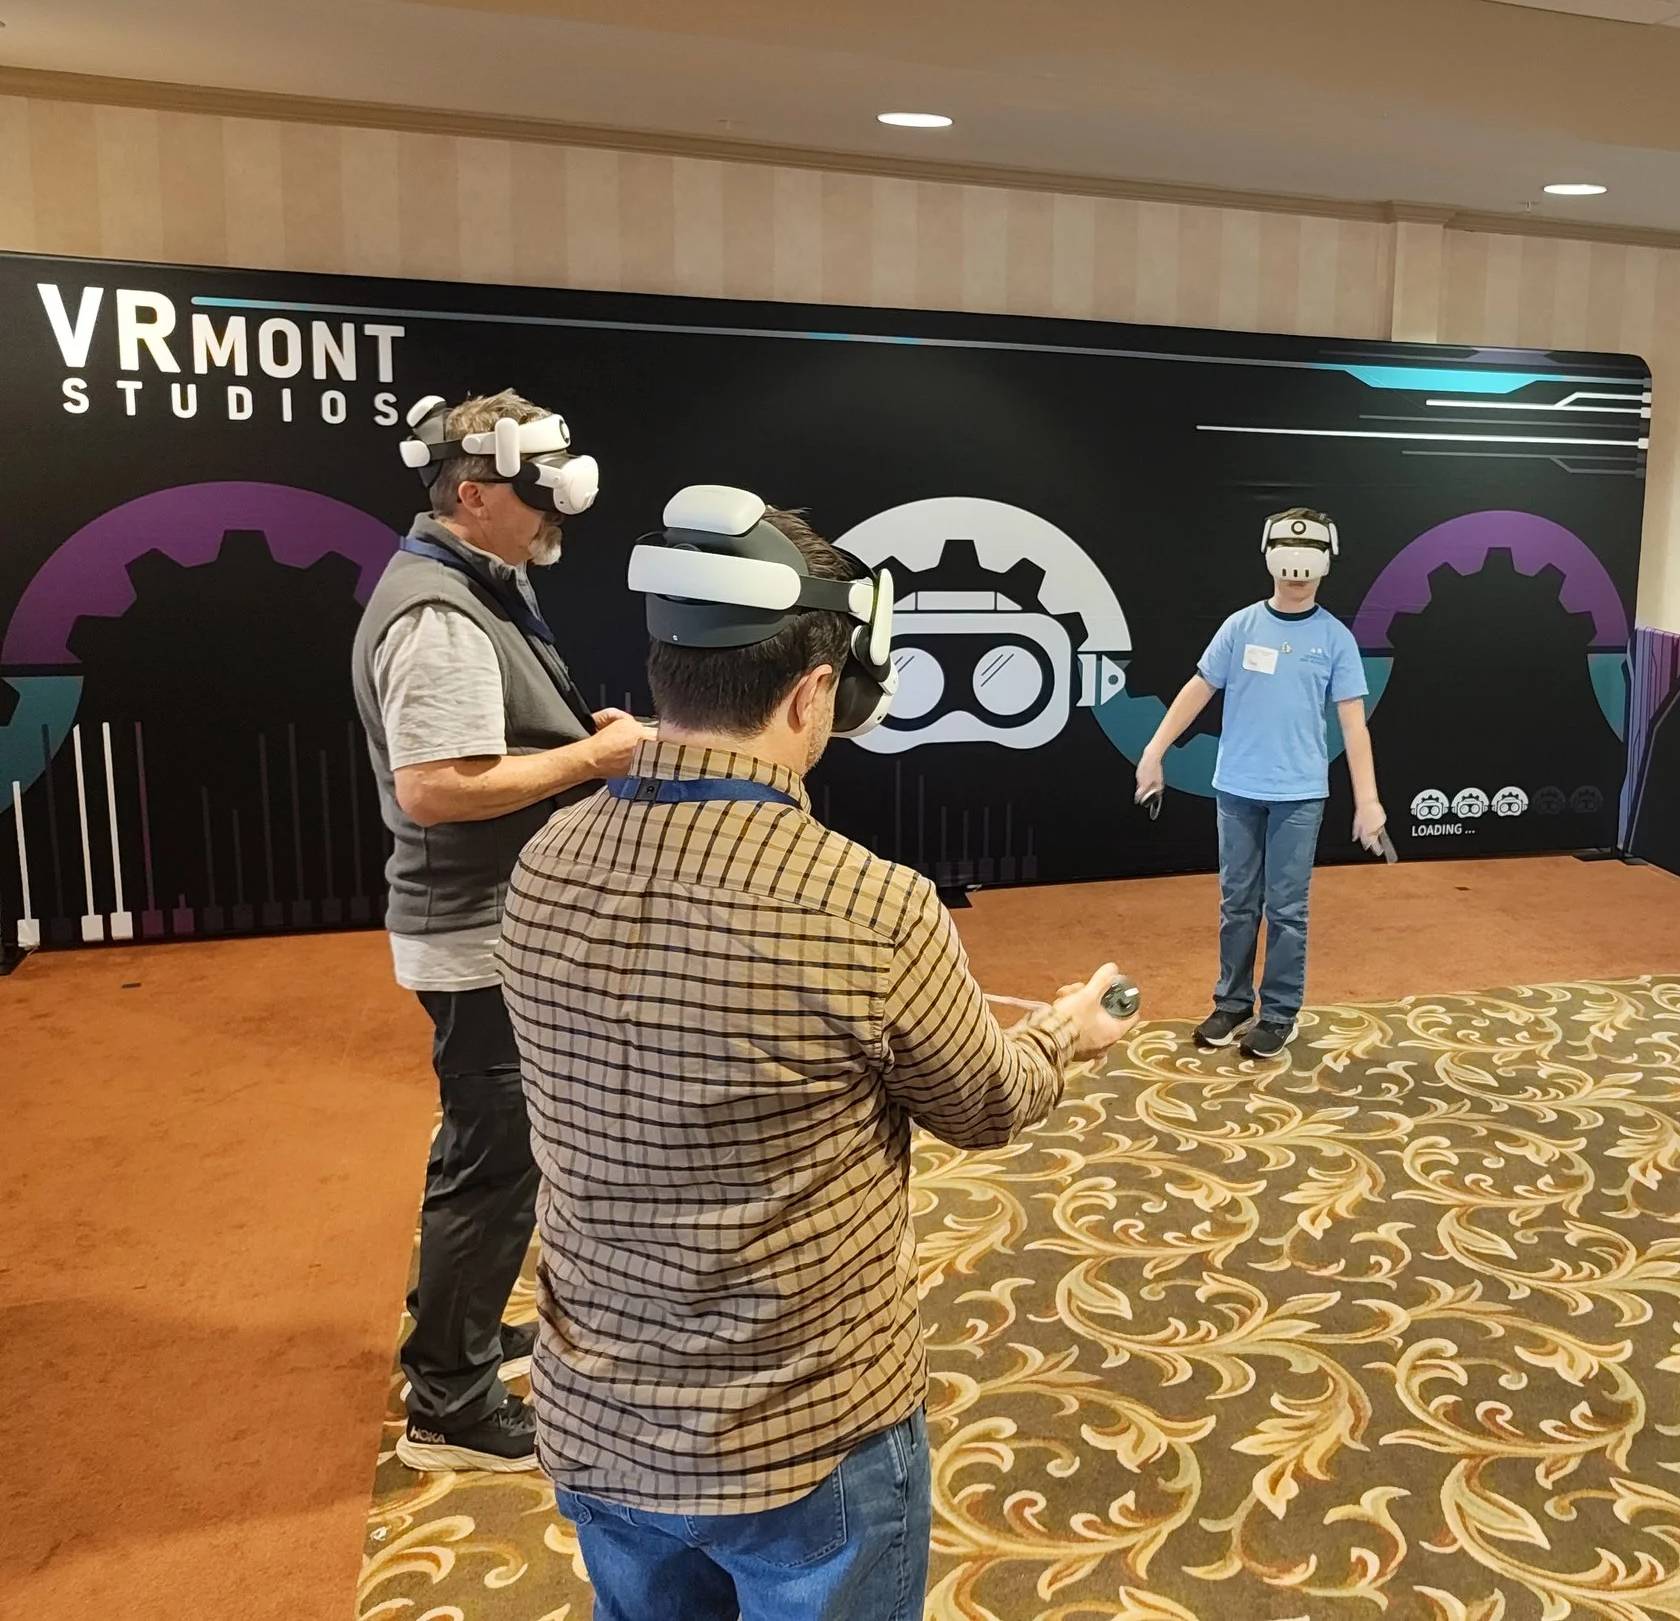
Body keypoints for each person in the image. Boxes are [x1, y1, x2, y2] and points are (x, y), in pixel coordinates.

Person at [497, 484, 1139, 1621]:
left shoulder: (543, 864)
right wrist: (1065, 1032)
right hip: (808, 1446)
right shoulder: (872, 905)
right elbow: (987, 1105)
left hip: (599, 1423)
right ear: (811, 696)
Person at [350, 389, 648, 1474]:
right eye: (534, 494)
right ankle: (451, 1405)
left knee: (487, 1151)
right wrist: (593, 759)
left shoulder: (479, 578)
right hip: (479, 937)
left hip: (493, 926)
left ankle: (455, 1333)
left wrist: (569, 733)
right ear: (472, 494)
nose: (552, 511)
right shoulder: (440, 612)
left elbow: (492, 740)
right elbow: (437, 788)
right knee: (496, 1163)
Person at [1134, 508, 1387, 1061]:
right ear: (1270, 557)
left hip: (1299, 794)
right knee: (1237, 903)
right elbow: (1199, 688)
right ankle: (1231, 1003)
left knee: (1288, 910)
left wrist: (1368, 801)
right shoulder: (1240, 626)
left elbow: (1354, 724)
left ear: (1325, 562)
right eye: (1288, 559)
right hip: (1238, 789)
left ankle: (1279, 1013)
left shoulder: (1334, 638)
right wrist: (1154, 750)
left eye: (1308, 560)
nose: (1297, 574)